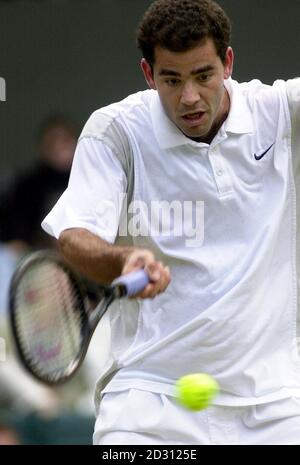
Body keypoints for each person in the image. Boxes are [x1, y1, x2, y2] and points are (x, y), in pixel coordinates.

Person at [42, 0, 300, 445]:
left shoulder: (276, 112)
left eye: (204, 75)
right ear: (148, 74)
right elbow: (74, 237)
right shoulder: (115, 131)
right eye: (171, 79)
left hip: (275, 406)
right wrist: (120, 259)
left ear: (228, 63)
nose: (190, 97)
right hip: (149, 402)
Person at [0, 114, 78, 253]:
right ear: (42, 146)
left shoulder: (88, 180)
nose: (58, 146)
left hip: (81, 252)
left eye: (64, 140)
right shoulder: (27, 185)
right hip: (37, 256)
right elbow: (13, 234)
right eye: (52, 141)